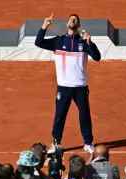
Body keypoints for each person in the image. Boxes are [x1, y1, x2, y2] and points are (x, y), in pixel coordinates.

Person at [34, 13, 101, 155]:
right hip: (63, 86)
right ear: (67, 24)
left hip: (80, 87)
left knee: (84, 115)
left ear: (79, 25)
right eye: (71, 19)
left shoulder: (83, 42)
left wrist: (90, 42)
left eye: (75, 20)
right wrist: (44, 26)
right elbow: (38, 42)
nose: (72, 21)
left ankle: (88, 143)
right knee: (60, 115)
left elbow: (97, 57)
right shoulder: (58, 41)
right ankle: (56, 143)